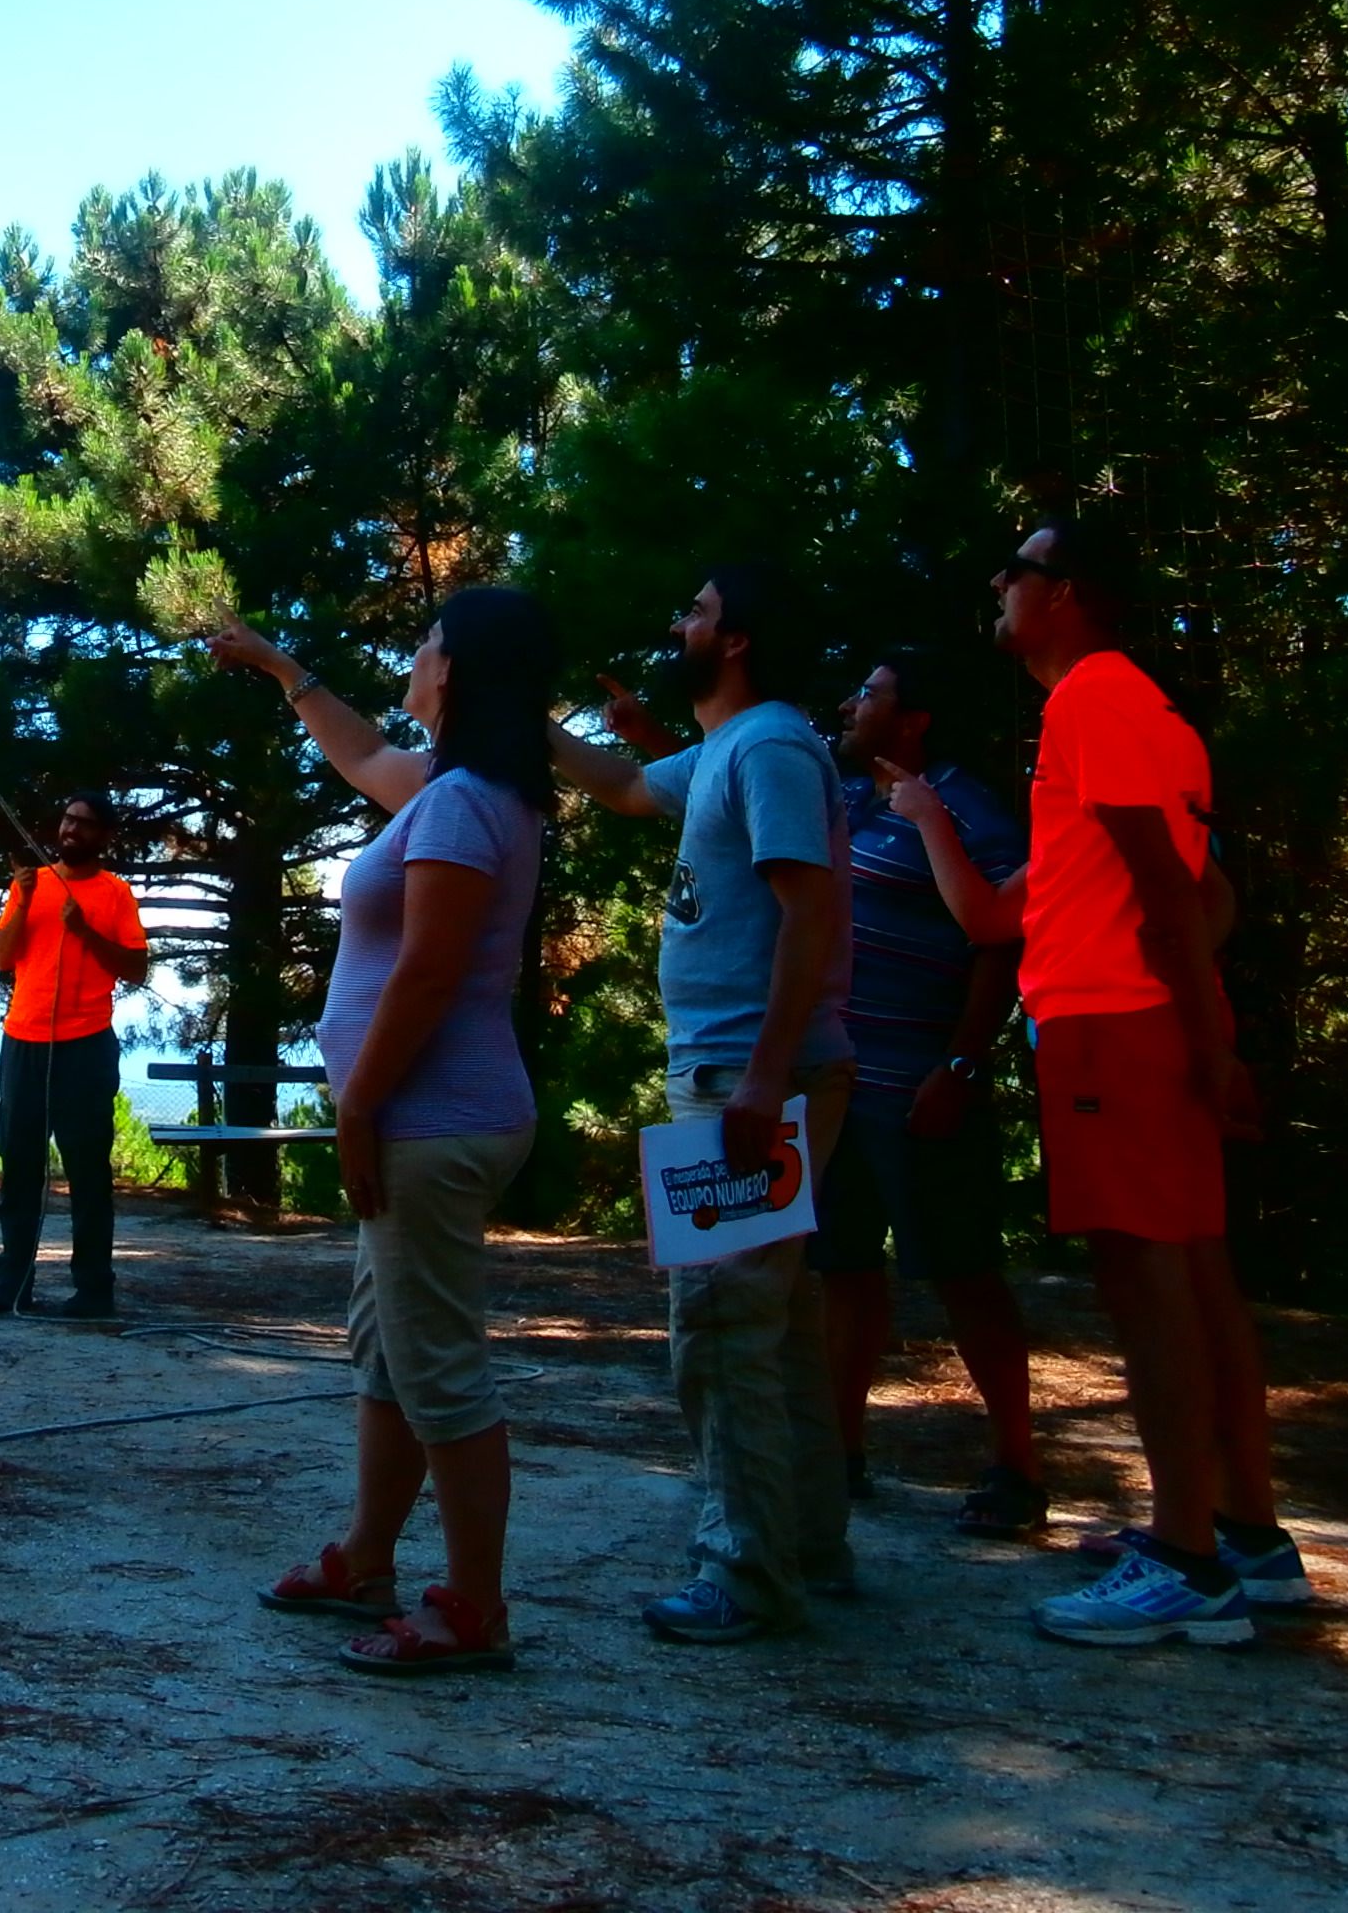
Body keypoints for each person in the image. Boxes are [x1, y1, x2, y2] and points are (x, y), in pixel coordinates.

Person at [880, 511, 1309, 1647]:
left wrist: (1206, 1042)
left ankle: (1184, 1560)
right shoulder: (1139, 716)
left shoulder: (1094, 697)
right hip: (1138, 1024)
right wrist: (926, 814)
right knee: (1198, 1278)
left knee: (1146, 1287)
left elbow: (1176, 897)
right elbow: (1014, 912)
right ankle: (1245, 1537)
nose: (998, 581)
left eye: (1016, 568)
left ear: (1066, 594)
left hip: (1119, 1028)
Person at [208, 587, 555, 1676]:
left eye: (425, 643)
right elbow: (363, 757)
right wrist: (280, 666)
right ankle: (366, 1556)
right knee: (391, 1349)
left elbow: (433, 967)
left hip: (425, 1121)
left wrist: (357, 1103)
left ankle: (473, 1609)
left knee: (439, 1365)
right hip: (430, 1116)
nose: (411, 656)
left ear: (454, 670)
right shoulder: (466, 792)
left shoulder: (460, 807)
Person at [554, 562, 855, 1644]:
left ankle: (745, 1572)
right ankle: (807, 1544)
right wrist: (549, 726)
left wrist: (767, 1075)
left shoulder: (771, 745)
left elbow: (808, 911)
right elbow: (631, 790)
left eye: (698, 612)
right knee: (775, 1325)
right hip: (739, 1073)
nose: (678, 621)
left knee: (722, 1323)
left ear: (735, 643)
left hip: (747, 1077)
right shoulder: (731, 748)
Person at [822, 652, 1046, 1537]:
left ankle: (1015, 1468)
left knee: (962, 1273)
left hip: (921, 1084)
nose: (850, 704)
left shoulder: (968, 806)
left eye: (869, 694)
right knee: (840, 1271)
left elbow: (1003, 937)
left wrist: (961, 1063)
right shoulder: (849, 800)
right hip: (837, 1080)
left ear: (914, 719)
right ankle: (839, 1456)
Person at [0, 790, 150, 1319]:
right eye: (66, 819)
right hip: (24, 1043)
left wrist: (84, 930)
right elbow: (2, 958)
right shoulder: (28, 886)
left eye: (84, 823)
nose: (70, 830)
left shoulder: (115, 894)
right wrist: (25, 899)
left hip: (85, 1047)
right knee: (20, 1168)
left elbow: (135, 969)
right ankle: (14, 1282)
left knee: (87, 1173)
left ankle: (93, 1289)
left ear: (104, 835)